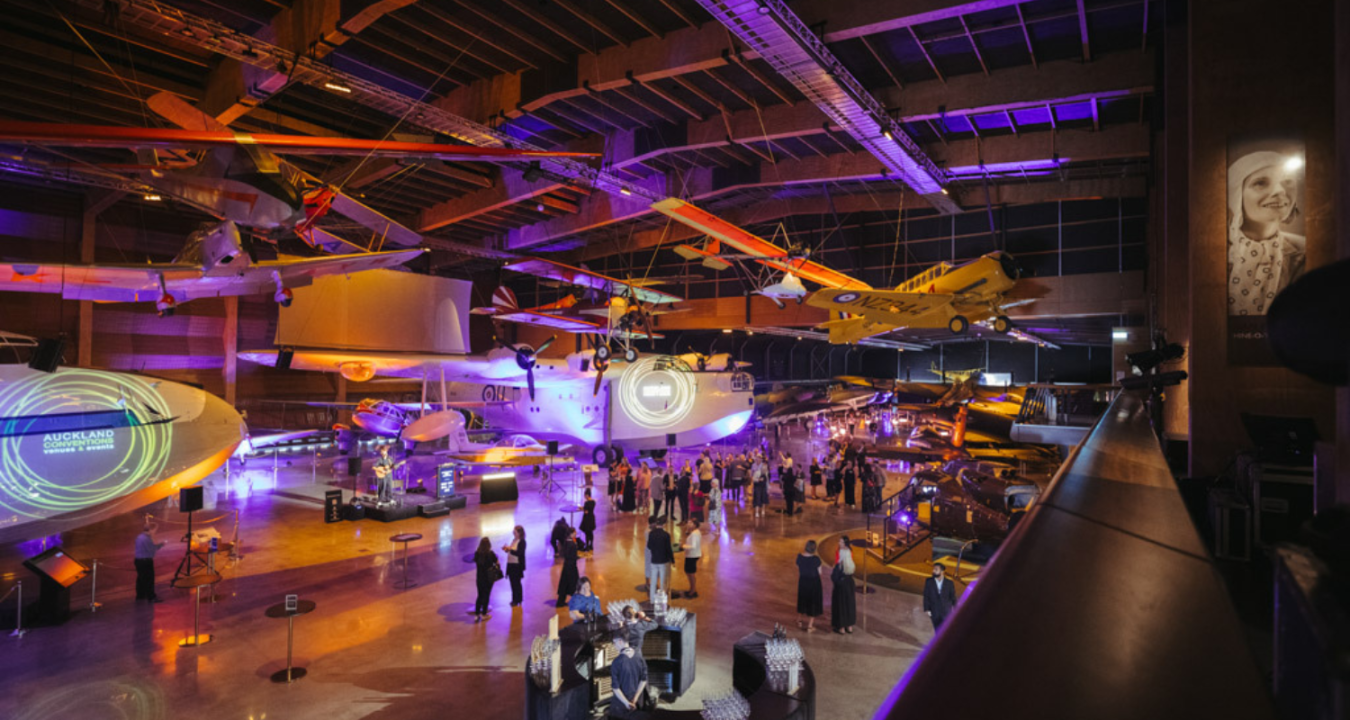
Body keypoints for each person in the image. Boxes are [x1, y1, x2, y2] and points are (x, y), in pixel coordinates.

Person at [1226, 150, 1306, 316]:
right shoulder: (1215, 255)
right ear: (1236, 195)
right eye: (1261, 183)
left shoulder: (1304, 251)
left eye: (1287, 181)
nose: (1280, 191)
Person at [607, 632, 649, 719]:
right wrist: (635, 698)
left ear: (619, 641)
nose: (614, 646)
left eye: (614, 643)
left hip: (620, 706)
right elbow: (644, 680)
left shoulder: (617, 662)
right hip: (638, 702)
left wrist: (627, 703)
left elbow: (615, 688)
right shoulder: (640, 658)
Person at [134, 523, 167, 603]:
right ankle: (151, 597)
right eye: (155, 530)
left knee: (141, 579)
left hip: (138, 560)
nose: (155, 531)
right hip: (146, 561)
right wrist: (161, 545)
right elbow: (152, 550)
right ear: (150, 530)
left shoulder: (139, 537)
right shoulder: (146, 539)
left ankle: (140, 595)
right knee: (149, 579)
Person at [831, 536, 857, 634]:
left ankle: (841, 627)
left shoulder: (839, 563)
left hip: (841, 584)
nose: (839, 543)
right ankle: (849, 626)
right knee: (849, 604)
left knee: (841, 605)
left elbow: (834, 575)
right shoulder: (851, 563)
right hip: (849, 583)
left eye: (841, 542)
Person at [796, 540, 823, 632]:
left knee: (802, 600)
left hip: (803, 582)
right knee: (813, 603)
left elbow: (798, 567)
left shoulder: (799, 557)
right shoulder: (816, 560)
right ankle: (810, 626)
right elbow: (820, 572)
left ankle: (799, 620)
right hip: (813, 583)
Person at [923, 562, 958, 630]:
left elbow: (952, 596)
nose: (933, 571)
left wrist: (956, 608)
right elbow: (926, 595)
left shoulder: (949, 583)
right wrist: (927, 608)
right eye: (934, 569)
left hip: (946, 611)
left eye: (936, 569)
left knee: (946, 629)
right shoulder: (929, 581)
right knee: (937, 628)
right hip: (934, 610)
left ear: (942, 571)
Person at [473, 537, 500, 622]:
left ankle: (477, 615)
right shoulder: (491, 554)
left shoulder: (477, 553)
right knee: (486, 596)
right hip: (488, 578)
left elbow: (475, 561)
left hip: (479, 578)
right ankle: (484, 614)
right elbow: (497, 563)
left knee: (480, 596)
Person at [646, 519, 674, 598]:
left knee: (653, 581)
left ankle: (652, 599)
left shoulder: (651, 534)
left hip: (654, 560)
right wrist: (672, 559)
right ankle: (662, 600)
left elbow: (649, 546)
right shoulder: (666, 535)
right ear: (663, 525)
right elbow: (669, 549)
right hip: (663, 561)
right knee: (663, 582)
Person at [503, 525, 527, 607]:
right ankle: (514, 599)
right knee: (512, 583)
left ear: (519, 533)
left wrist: (510, 550)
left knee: (516, 583)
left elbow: (519, 553)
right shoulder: (514, 540)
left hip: (517, 566)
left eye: (515, 532)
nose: (514, 534)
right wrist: (508, 550)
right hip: (511, 565)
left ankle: (518, 599)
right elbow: (512, 550)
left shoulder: (522, 542)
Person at [556, 527, 580, 607]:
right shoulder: (572, 544)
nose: (576, 533)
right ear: (572, 533)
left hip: (567, 565)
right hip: (571, 566)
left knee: (564, 584)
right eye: (575, 532)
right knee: (574, 584)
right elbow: (571, 555)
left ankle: (561, 601)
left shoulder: (567, 541)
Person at [680, 519, 702, 599]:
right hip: (692, 555)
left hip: (692, 555)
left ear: (695, 525)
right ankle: (692, 589)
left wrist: (683, 546)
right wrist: (688, 530)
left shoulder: (694, 534)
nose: (688, 524)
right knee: (688, 572)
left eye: (690, 523)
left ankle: (692, 590)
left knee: (690, 573)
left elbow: (693, 546)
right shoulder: (694, 532)